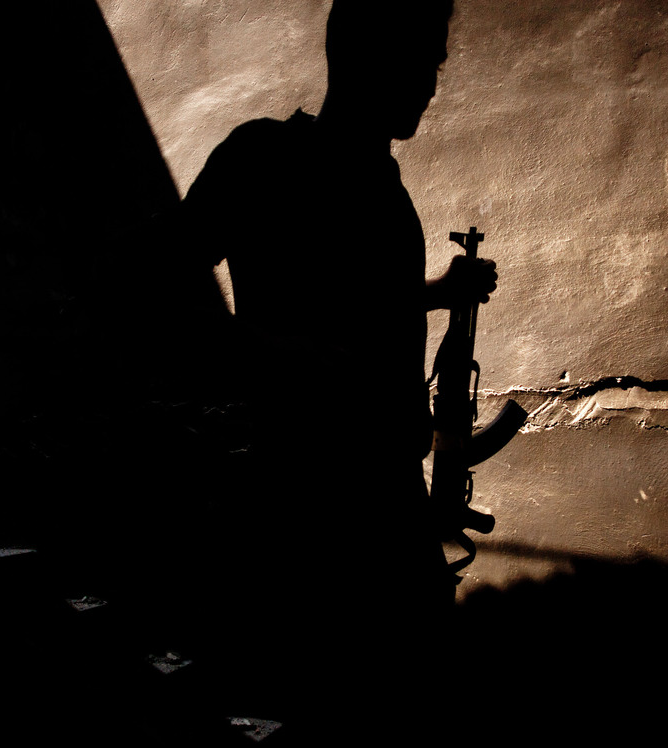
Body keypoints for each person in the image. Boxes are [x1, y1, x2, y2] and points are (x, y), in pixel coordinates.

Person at [179, 0, 498, 733]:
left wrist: (437, 296)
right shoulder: (261, 158)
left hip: (389, 522)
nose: (431, 82)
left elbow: (352, 311)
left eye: (436, 63)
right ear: (360, 55)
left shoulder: (387, 196)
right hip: (301, 521)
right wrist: (277, 352)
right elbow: (145, 291)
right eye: (421, 59)